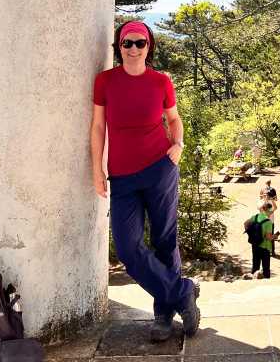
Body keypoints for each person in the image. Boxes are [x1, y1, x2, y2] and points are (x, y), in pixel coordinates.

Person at [90, 20, 200, 343]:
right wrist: (97, 169)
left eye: (140, 43)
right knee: (127, 248)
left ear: (149, 46)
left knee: (165, 240)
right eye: (127, 43)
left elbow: (174, 119)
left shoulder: (161, 82)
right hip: (122, 177)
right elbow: (98, 127)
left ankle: (163, 314)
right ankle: (183, 292)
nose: (133, 48)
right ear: (119, 47)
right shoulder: (105, 82)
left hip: (160, 169)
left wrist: (177, 145)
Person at [244, 201, 279, 279]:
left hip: (255, 244)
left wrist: (251, 234)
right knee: (266, 267)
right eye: (271, 211)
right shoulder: (268, 222)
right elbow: (268, 237)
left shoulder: (255, 217)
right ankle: (266, 283)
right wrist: (275, 237)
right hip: (265, 246)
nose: (271, 212)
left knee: (255, 265)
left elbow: (245, 223)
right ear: (268, 210)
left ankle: (253, 279)